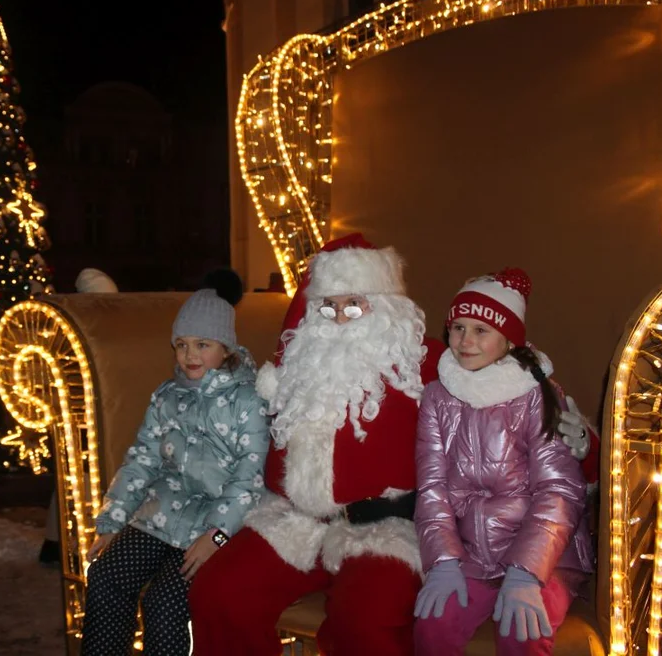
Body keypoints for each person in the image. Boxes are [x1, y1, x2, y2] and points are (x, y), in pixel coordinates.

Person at [188, 233, 594, 656]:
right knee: (219, 592)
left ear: (384, 307)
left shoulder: (434, 364)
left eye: (355, 304)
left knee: (366, 625)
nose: (340, 318)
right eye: (328, 305)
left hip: (388, 529)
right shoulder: (296, 366)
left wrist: (584, 448)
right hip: (295, 522)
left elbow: (514, 388)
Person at [80, 281, 269, 656]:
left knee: (164, 605)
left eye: (202, 345)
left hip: (220, 524)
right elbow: (142, 460)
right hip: (161, 516)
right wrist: (112, 520)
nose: (189, 355)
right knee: (105, 578)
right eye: (181, 345)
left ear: (225, 348)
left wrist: (217, 536)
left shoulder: (249, 400)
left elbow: (248, 479)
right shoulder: (167, 396)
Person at [413, 268, 594, 654]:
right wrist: (443, 560)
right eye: (458, 328)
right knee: (433, 626)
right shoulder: (437, 397)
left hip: (545, 558)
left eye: (481, 330)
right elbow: (432, 488)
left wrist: (526, 572)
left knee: (523, 632)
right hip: (471, 555)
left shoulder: (537, 395)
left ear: (509, 339)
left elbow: (559, 490)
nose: (465, 341)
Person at [39, 266, 121, 567]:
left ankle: (64, 546)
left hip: (97, 420)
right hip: (79, 423)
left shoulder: (99, 332)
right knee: (75, 485)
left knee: (82, 485)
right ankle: (61, 547)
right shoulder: (74, 336)